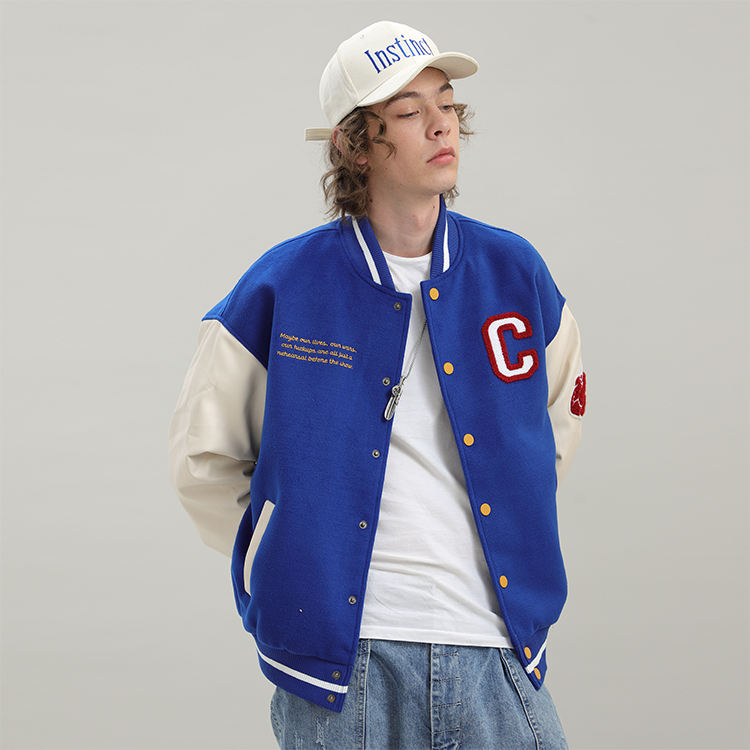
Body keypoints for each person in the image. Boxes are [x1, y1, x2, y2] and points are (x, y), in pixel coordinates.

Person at [169, 19, 585, 750]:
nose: (441, 125)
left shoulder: (515, 274)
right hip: (342, 664)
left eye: (447, 105)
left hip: (496, 641)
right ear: (354, 145)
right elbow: (203, 459)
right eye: (408, 112)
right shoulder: (283, 285)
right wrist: (291, 549)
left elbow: (555, 425)